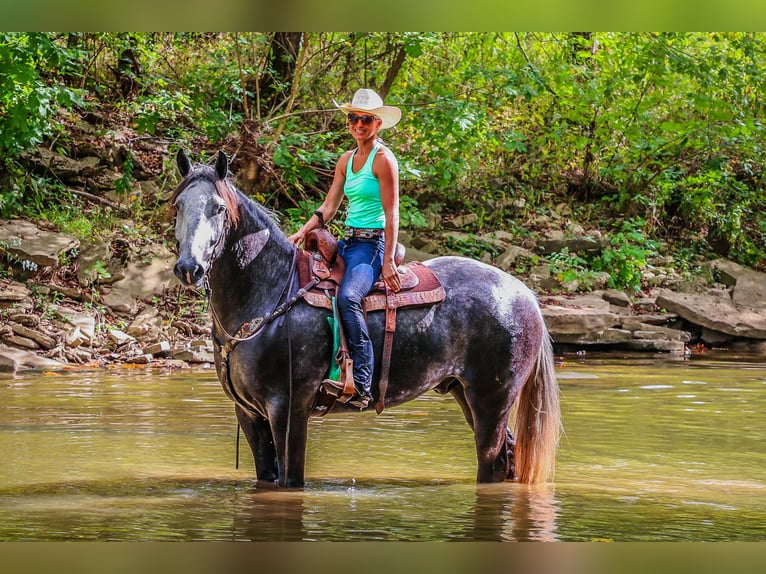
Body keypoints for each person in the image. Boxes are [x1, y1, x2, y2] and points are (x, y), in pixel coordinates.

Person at [288, 88, 403, 409]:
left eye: (366, 119)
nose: (358, 124)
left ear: (377, 124)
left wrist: (389, 261)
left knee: (349, 297)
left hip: (374, 243)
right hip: (348, 241)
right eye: (354, 118)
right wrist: (301, 232)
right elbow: (329, 205)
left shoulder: (383, 160)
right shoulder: (346, 160)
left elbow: (392, 212)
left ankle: (362, 382)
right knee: (309, 286)